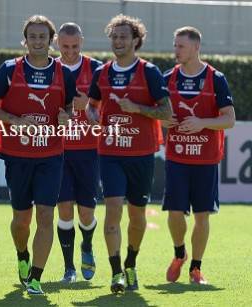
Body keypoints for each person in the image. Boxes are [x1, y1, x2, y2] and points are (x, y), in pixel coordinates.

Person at [0, 15, 76, 295]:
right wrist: (14, 120)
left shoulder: (64, 73)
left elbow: (68, 111)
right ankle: (22, 255)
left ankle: (35, 277)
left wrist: (65, 117)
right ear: (26, 40)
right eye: (33, 36)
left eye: (43, 37)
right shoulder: (10, 70)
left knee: (46, 215)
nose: (38, 41)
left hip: (51, 155)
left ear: (51, 41)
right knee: (21, 220)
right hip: (17, 155)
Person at [86, 14, 172, 293]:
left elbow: (166, 112)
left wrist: (138, 109)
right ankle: (115, 273)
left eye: (123, 36)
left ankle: (131, 263)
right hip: (110, 153)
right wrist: (93, 117)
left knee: (136, 215)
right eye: (114, 36)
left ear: (136, 41)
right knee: (112, 210)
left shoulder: (149, 72)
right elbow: (92, 105)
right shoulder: (102, 73)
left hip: (142, 154)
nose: (118, 41)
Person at [162, 26, 235, 285]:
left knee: (202, 216)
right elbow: (156, 113)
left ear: (195, 47)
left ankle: (195, 268)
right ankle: (179, 252)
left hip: (205, 160)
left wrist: (202, 122)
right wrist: (163, 120)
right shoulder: (167, 77)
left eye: (180, 46)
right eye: (175, 45)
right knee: (174, 213)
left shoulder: (216, 78)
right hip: (177, 158)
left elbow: (229, 119)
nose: (176, 50)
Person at [55, 22, 102, 283]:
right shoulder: (49, 69)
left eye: (74, 46)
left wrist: (88, 108)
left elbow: (107, 113)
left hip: (88, 152)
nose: (70, 52)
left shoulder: (97, 70)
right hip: (58, 152)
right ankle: (68, 267)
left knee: (86, 212)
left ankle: (87, 245)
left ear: (81, 41)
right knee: (64, 209)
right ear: (56, 44)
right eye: (64, 46)